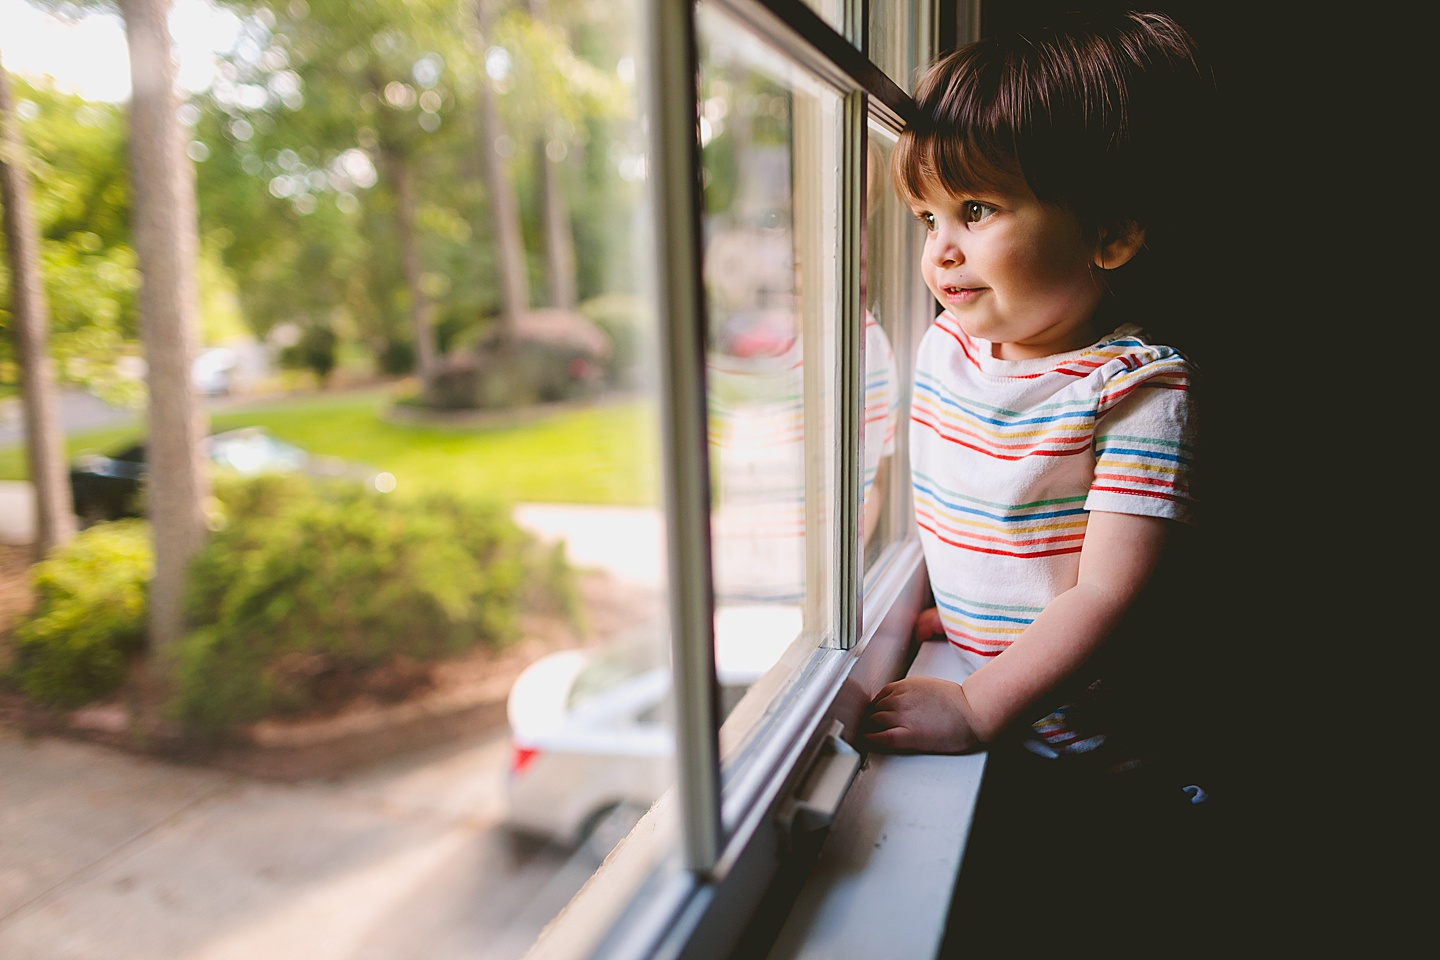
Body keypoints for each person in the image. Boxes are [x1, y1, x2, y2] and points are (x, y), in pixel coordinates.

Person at [858, 9, 1223, 946]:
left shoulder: (1135, 392)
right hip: (1011, 715)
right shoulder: (952, 346)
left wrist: (979, 705)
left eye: (976, 212)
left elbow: (1105, 594)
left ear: (1108, 233)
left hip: (1101, 768)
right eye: (928, 217)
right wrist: (965, 612)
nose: (940, 249)